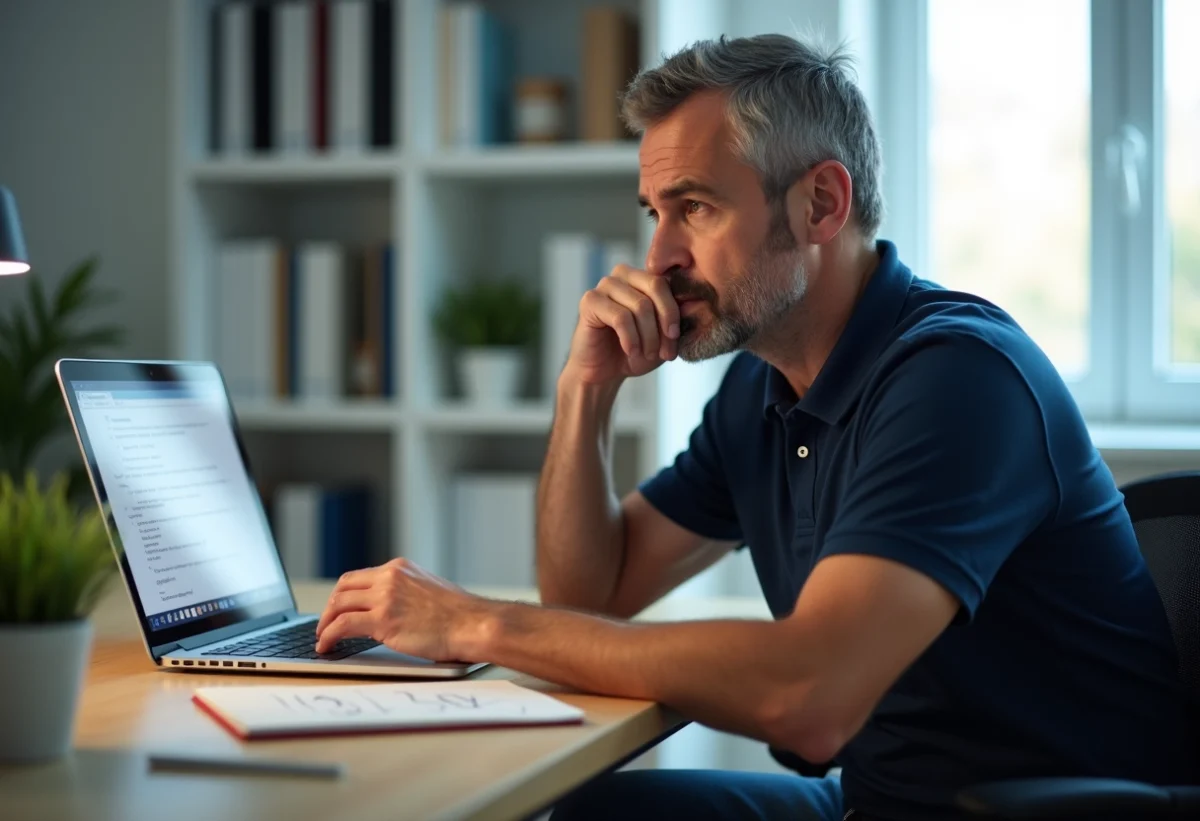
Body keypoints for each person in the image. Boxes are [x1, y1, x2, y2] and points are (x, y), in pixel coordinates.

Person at [314, 33, 1198, 820]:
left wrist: (475, 623)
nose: (657, 255)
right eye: (653, 213)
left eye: (695, 207)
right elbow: (589, 601)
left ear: (820, 204)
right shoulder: (760, 386)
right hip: (878, 798)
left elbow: (811, 697)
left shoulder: (958, 380)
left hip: (1027, 811)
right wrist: (584, 390)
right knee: (595, 808)